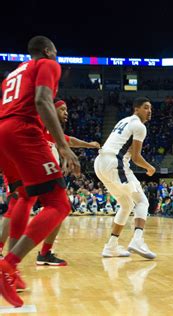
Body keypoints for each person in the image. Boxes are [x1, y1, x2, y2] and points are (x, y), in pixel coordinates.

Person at [0, 36, 80, 307]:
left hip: (4, 133)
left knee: (23, 196)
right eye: (56, 52)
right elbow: (43, 101)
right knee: (59, 203)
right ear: (46, 51)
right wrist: (62, 146)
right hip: (23, 130)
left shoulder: (14, 73)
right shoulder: (46, 64)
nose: (57, 57)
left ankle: (11, 271)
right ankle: (8, 265)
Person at [0, 99, 100, 266]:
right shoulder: (36, 123)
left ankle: (44, 253)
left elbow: (70, 141)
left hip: (40, 174)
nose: (66, 113)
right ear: (50, 110)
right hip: (23, 170)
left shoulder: (48, 130)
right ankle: (9, 256)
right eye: (62, 109)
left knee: (59, 206)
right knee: (20, 205)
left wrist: (89, 145)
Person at [95, 97, 156, 259]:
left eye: (150, 108)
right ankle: (137, 240)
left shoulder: (125, 121)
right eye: (145, 107)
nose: (149, 111)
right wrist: (149, 167)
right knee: (142, 201)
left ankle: (111, 246)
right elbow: (136, 158)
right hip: (114, 163)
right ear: (136, 109)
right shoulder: (139, 126)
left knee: (126, 204)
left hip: (100, 163)